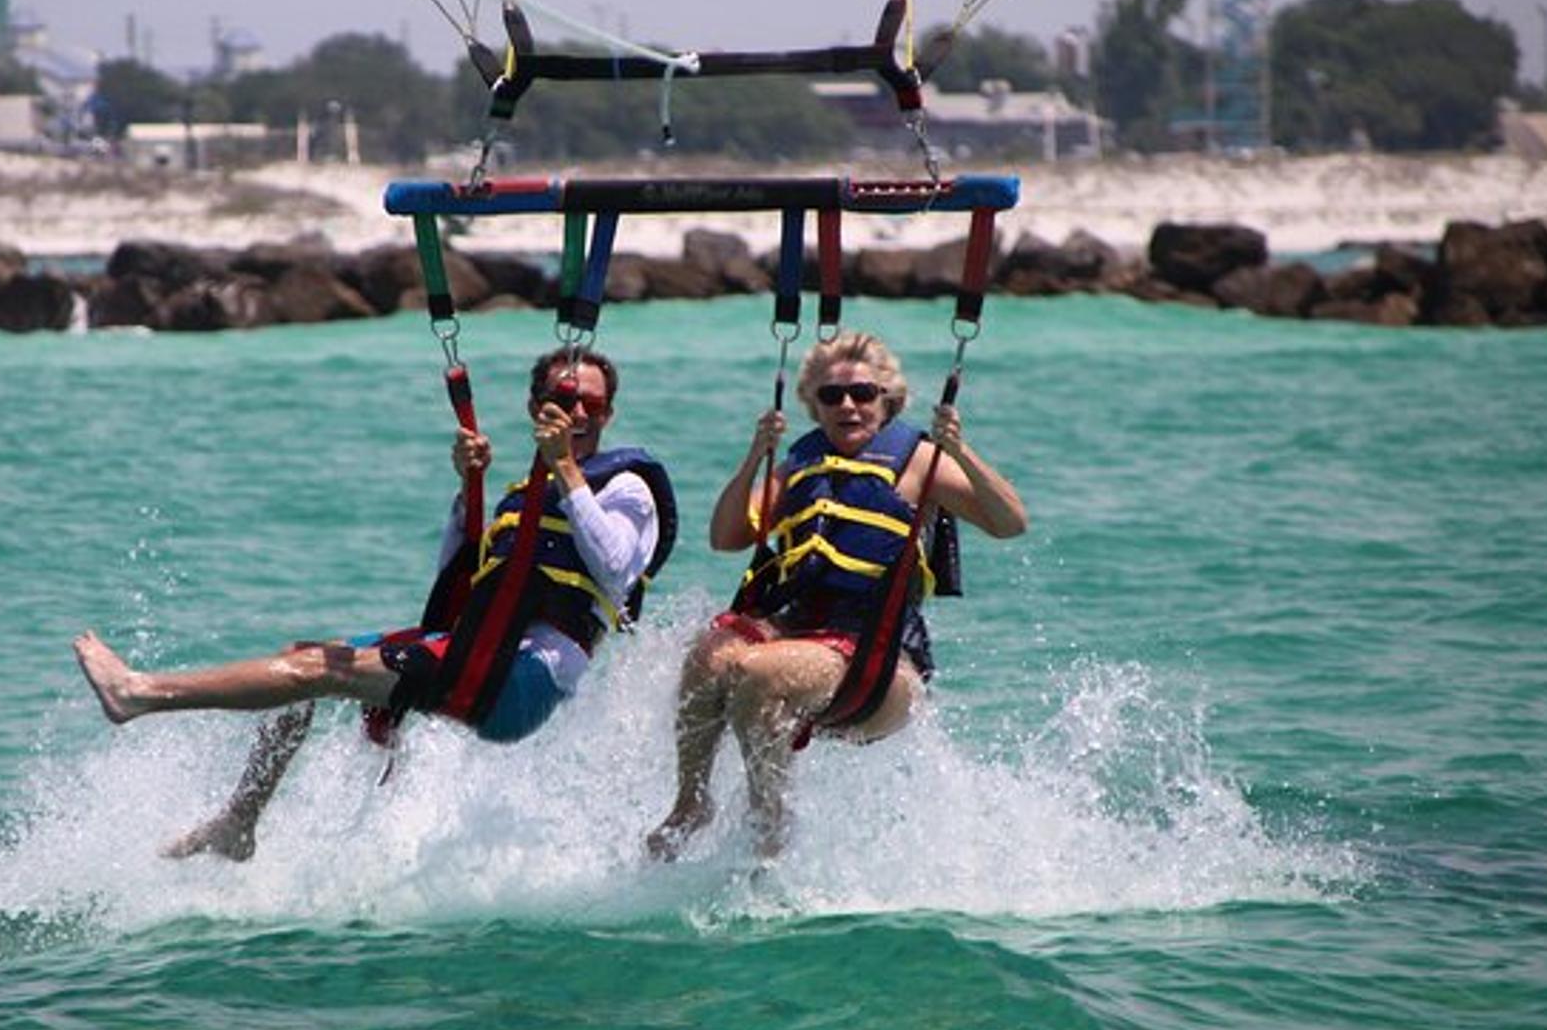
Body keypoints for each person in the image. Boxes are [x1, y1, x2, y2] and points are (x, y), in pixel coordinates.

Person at [73, 347, 674, 861]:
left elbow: (617, 568)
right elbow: (457, 585)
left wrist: (565, 468)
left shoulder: (627, 488)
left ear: (608, 414)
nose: (578, 414)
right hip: (480, 653)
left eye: (592, 406)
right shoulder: (522, 500)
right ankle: (240, 822)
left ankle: (140, 693)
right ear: (535, 408)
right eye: (564, 402)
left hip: (524, 681)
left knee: (318, 671)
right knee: (304, 659)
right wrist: (468, 491)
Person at [645, 331, 1027, 860]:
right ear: (814, 405)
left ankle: (769, 830)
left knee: (758, 672)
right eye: (832, 396)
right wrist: (756, 456)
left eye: (863, 394)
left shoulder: (919, 461)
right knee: (709, 653)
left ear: (887, 400)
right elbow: (726, 536)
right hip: (802, 640)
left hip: (880, 665)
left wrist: (958, 449)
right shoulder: (799, 465)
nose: (848, 405)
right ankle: (691, 802)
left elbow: (1010, 521)